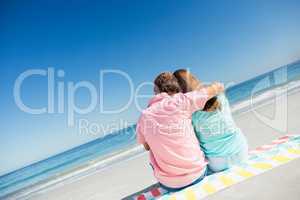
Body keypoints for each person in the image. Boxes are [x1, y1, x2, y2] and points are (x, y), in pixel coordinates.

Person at [136, 72, 224, 191]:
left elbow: (146, 146)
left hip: (169, 185)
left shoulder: (144, 116)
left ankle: (171, 175)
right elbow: (216, 88)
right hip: (198, 174)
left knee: (154, 151)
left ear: (156, 91)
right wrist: (217, 86)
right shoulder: (182, 101)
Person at [174, 69, 248, 172]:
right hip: (241, 151)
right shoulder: (219, 95)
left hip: (218, 163)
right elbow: (216, 88)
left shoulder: (188, 111)